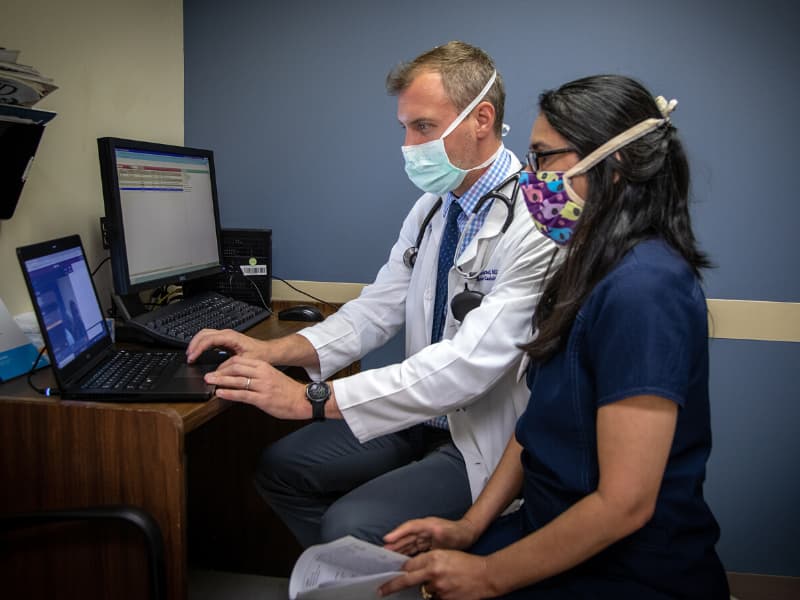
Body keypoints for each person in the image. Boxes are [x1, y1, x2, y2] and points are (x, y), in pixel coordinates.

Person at [186, 41, 558, 548]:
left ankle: (369, 564)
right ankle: (366, 574)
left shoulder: (534, 220)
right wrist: (273, 351)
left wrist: (310, 397)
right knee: (281, 468)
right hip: (414, 417)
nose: (408, 144)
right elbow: (376, 310)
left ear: (482, 119)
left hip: (477, 435)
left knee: (349, 523)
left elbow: (470, 364)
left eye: (422, 127)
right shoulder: (432, 208)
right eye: (404, 127)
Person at [379, 75, 730, 599]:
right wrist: (471, 526)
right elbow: (538, 424)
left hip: (626, 569)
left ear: (618, 166)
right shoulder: (586, 270)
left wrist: (487, 575)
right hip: (547, 526)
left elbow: (625, 503)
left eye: (544, 158)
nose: (531, 179)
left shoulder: (646, 291)